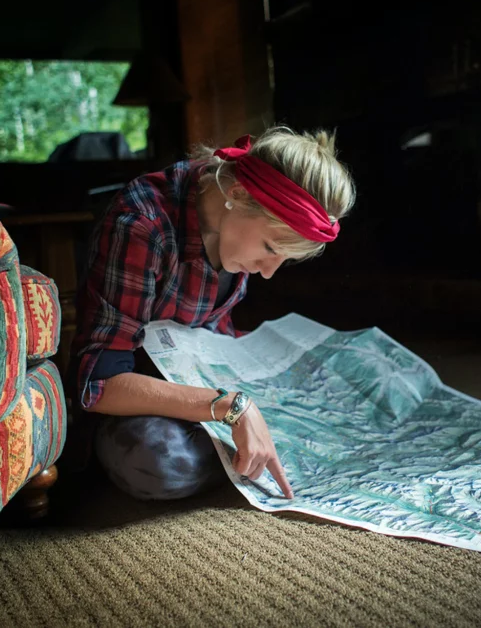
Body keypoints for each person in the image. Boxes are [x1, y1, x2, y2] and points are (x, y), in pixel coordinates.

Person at [65, 125, 356, 501]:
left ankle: (251, 454)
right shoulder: (143, 224)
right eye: (269, 247)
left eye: (283, 260)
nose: (268, 272)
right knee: (160, 460)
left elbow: (213, 343)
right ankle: (252, 459)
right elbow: (97, 384)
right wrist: (232, 408)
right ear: (237, 194)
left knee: (329, 410)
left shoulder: (231, 225)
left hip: (202, 391)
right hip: (136, 402)